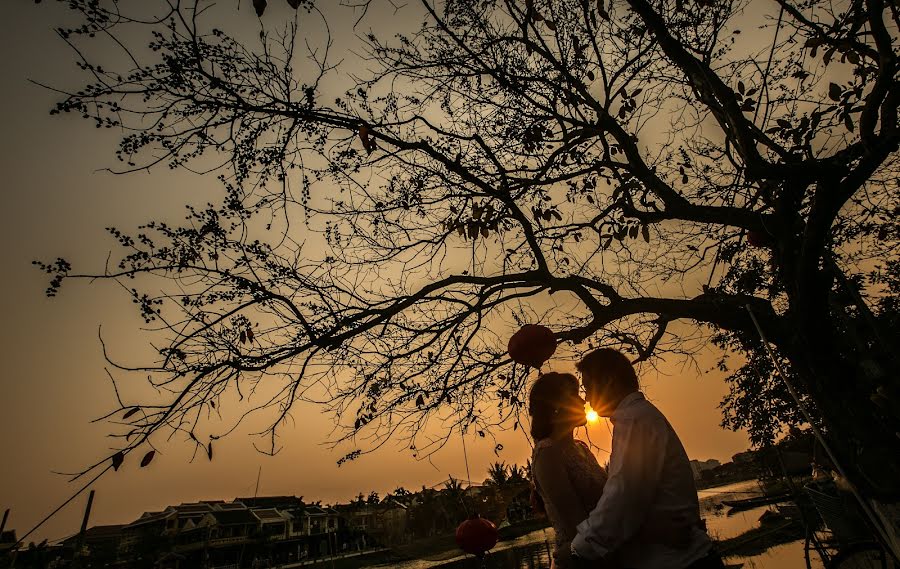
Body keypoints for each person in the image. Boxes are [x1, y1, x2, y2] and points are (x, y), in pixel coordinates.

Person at [569, 348, 725, 569]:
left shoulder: (635, 420)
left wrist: (580, 547)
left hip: (679, 562)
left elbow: (622, 498)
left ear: (609, 382)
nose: (586, 398)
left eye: (589, 387)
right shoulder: (637, 417)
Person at [529, 372, 692, 568]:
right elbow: (577, 530)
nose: (583, 401)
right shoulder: (547, 455)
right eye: (574, 396)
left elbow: (617, 505)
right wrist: (656, 533)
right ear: (555, 406)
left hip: (610, 551)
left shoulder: (581, 448)